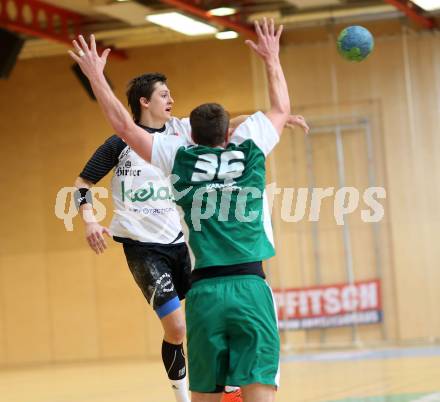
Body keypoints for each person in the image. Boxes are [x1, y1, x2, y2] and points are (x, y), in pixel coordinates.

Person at [69, 17, 300, 401]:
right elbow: (275, 108)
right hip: (235, 279)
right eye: (164, 94)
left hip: (203, 283)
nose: (171, 100)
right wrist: (272, 64)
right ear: (229, 134)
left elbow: (124, 125)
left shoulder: (178, 153)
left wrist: (96, 76)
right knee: (190, 340)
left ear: (193, 133)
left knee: (192, 349)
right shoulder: (250, 152)